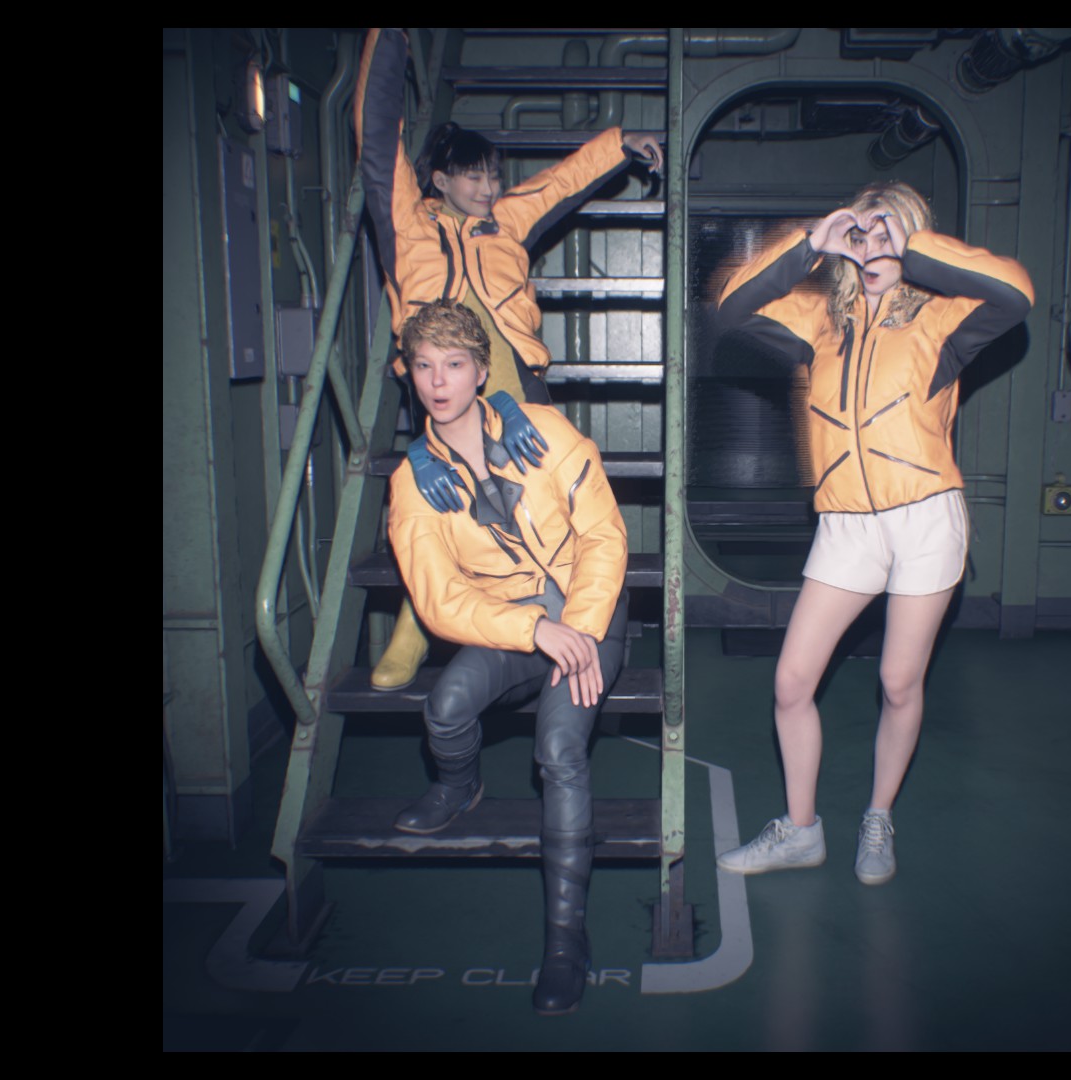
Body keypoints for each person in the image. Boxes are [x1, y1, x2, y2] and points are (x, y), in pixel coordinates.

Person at [712, 181, 1035, 885]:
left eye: (890, 232)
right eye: (862, 234)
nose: (873, 247)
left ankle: (878, 817)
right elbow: (732, 307)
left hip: (924, 520)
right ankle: (801, 831)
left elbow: (1016, 293)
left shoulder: (942, 320)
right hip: (846, 526)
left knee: (897, 682)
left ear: (914, 236)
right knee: (792, 682)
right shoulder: (821, 321)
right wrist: (811, 243)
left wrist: (914, 250)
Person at [355, 26, 663, 690]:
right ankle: (420, 620)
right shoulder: (409, 224)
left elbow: (558, 184)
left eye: (494, 174)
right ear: (441, 179)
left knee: (542, 509)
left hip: (519, 387)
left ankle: (582, 620)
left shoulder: (507, 222)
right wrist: (389, 44)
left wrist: (618, 144)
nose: (489, 185)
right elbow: (378, 146)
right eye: (474, 174)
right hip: (446, 384)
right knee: (444, 507)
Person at [386, 299, 629, 1015]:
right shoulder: (412, 483)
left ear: (481, 370)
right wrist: (533, 630)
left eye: (454, 364)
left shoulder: (545, 431)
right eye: (424, 366)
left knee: (559, 748)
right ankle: (459, 785)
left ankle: (565, 941)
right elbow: (438, 601)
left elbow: (604, 536)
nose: (438, 382)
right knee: (446, 706)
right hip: (513, 626)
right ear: (408, 373)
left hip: (590, 611)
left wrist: (578, 627)